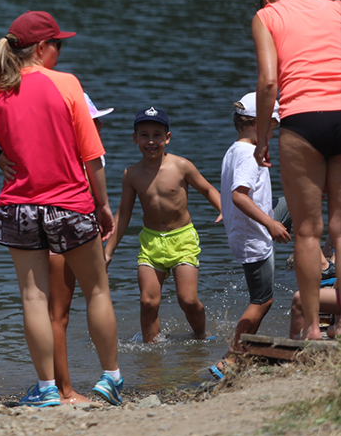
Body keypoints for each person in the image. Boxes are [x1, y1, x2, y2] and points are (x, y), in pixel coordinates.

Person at [0, 11, 123, 408]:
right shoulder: (67, 85)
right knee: (97, 290)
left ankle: (47, 389)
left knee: (34, 299)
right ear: (41, 48)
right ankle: (110, 378)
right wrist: (103, 205)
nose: (60, 51)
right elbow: (92, 156)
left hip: (19, 208)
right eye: (59, 44)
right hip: (71, 203)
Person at [251, 0, 341, 340]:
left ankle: (311, 330)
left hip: (301, 120)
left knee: (307, 231)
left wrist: (262, 138)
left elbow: (269, 81)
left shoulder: (266, 15)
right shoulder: (335, 7)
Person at [104, 108, 222, 342]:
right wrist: (108, 252)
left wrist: (223, 209)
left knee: (187, 300)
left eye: (157, 135)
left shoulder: (181, 166)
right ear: (134, 138)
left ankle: (200, 336)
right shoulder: (131, 174)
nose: (151, 141)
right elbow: (124, 214)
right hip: (151, 242)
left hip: (183, 239)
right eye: (144, 135)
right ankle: (151, 358)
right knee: (148, 302)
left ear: (167, 138)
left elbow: (207, 189)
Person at [213, 93, 291, 377]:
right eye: (272, 126)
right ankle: (231, 358)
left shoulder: (237, 149)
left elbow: (229, 192)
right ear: (255, 124)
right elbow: (239, 196)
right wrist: (271, 224)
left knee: (297, 198)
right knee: (262, 300)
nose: (273, 131)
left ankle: (318, 260)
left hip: (252, 227)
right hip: (253, 236)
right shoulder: (248, 154)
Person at [47, 93, 113, 404]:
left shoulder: (48, 151)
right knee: (74, 308)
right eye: (93, 122)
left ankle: (53, 387)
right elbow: (94, 202)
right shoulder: (91, 156)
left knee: (55, 315)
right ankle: (68, 390)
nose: (99, 127)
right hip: (77, 233)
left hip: (46, 230)